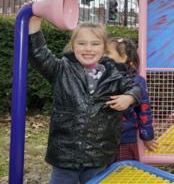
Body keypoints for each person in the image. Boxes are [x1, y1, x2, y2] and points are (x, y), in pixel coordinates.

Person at [28, 18, 142, 184]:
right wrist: (34, 21)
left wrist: (129, 97)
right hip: (64, 155)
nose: (88, 49)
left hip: (99, 155)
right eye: (82, 43)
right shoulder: (61, 69)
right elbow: (38, 53)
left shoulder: (113, 74)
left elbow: (136, 88)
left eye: (95, 44)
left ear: (104, 48)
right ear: (73, 46)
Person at [106, 37, 158, 161]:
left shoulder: (137, 81)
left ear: (123, 57)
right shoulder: (99, 76)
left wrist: (147, 136)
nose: (102, 56)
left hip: (125, 138)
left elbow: (144, 111)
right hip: (100, 138)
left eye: (107, 53)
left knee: (125, 173)